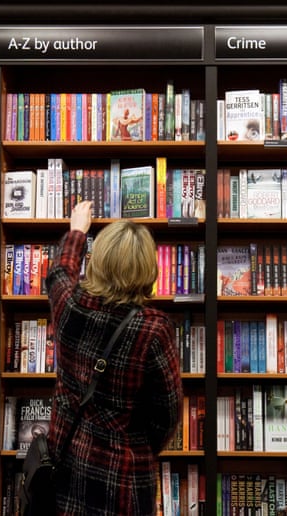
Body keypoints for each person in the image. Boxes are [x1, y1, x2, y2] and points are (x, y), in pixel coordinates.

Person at [45, 200, 183, 515]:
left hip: (67, 460)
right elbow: (167, 415)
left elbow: (59, 273)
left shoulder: (70, 305)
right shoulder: (153, 329)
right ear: (149, 269)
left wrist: (78, 231)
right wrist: (138, 445)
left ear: (98, 261)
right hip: (123, 475)